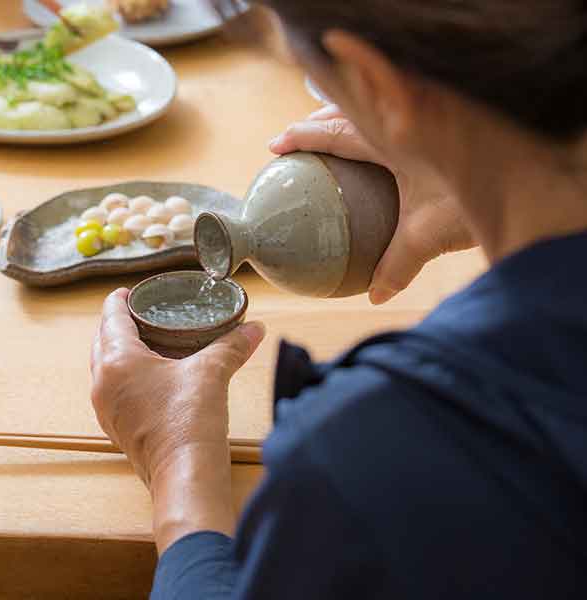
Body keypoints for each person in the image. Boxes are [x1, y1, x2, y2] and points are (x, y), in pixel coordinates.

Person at [89, 1, 587, 598]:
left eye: (319, 83)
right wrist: (487, 177)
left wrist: (175, 457)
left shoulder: (373, 455)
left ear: (373, 83)